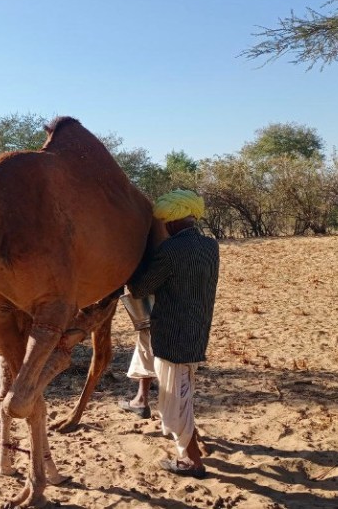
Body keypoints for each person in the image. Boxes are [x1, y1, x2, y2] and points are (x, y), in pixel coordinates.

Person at [127, 189, 219, 479]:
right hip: (197, 329)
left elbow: (140, 289)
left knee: (176, 399)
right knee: (182, 393)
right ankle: (190, 453)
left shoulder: (170, 250)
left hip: (171, 336)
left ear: (174, 221)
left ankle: (192, 462)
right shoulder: (210, 246)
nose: (164, 226)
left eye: (166, 221)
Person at [118, 294, 156, 419]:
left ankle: (141, 400)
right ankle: (140, 399)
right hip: (192, 315)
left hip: (164, 312)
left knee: (148, 342)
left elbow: (144, 286)